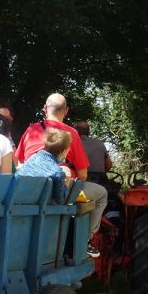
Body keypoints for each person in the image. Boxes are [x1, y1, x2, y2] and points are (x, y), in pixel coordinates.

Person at [15, 92, 107, 257]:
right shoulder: (71, 134)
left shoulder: (31, 130)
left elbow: (19, 162)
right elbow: (83, 175)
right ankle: (85, 240)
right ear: (66, 111)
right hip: (60, 190)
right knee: (101, 194)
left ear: (45, 109)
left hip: (29, 192)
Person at [16, 128, 72, 204]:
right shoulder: (58, 173)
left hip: (15, 205)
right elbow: (60, 200)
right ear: (64, 152)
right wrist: (67, 182)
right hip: (36, 212)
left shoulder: (32, 159)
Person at [73, 120, 113, 185]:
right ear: (88, 132)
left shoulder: (73, 144)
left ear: (75, 131)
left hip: (83, 181)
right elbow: (109, 165)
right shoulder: (100, 143)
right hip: (101, 180)